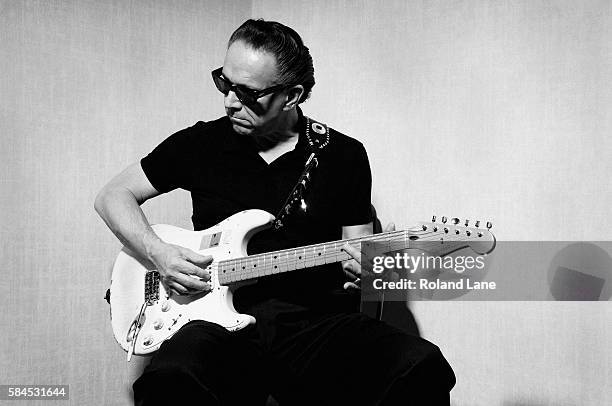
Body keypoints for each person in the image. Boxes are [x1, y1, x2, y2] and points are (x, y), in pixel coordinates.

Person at [95, 19, 455, 405]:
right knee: (169, 379)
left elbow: (360, 254)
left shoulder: (343, 155)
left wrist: (368, 271)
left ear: (292, 95)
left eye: (248, 93)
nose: (229, 101)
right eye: (224, 83)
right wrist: (158, 253)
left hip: (313, 325)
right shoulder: (200, 143)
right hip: (218, 326)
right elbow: (113, 195)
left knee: (420, 366)